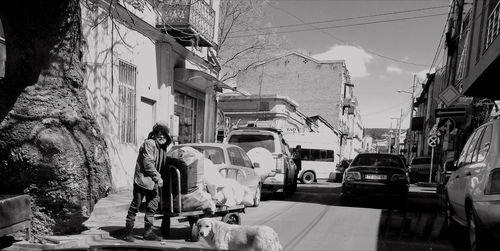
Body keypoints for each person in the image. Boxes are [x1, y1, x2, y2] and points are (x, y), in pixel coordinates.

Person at [123, 121, 172, 242]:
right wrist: (158, 178)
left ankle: (148, 233)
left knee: (152, 207)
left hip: (153, 183)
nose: (161, 136)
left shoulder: (163, 147)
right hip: (143, 181)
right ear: (154, 135)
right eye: (159, 134)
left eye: (164, 134)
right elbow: (148, 163)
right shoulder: (149, 143)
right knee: (136, 206)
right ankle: (128, 233)